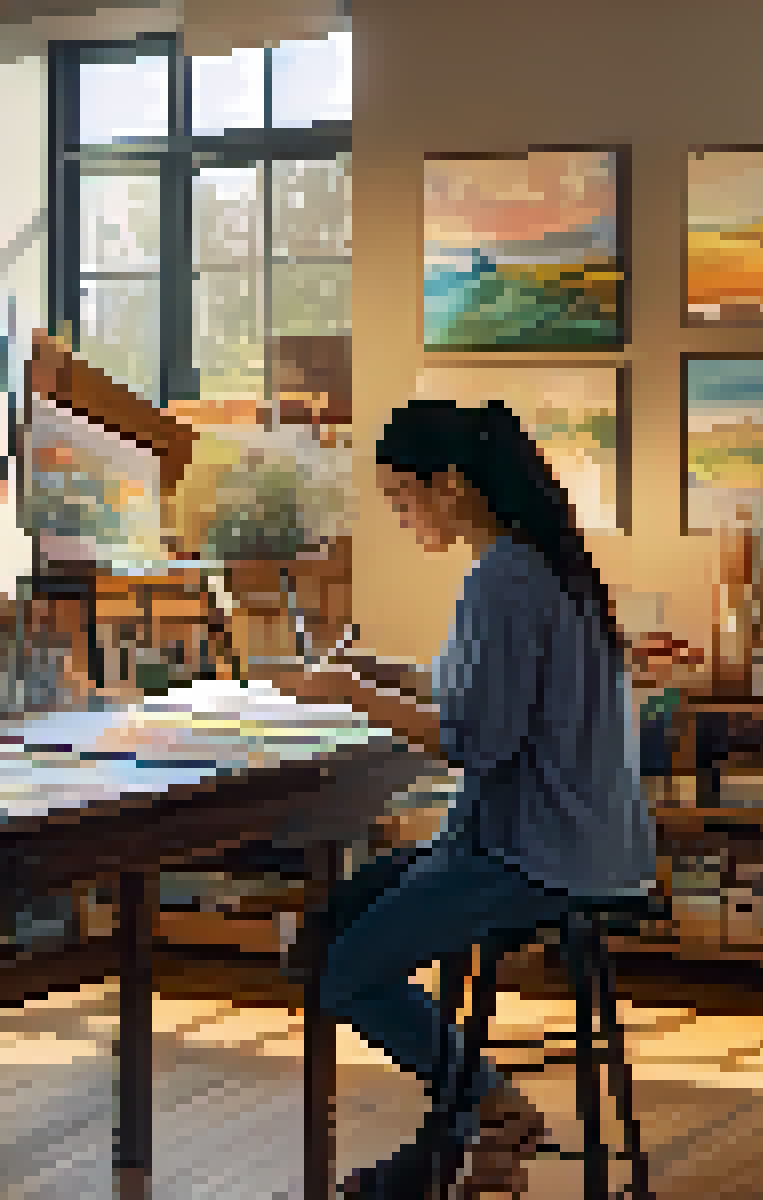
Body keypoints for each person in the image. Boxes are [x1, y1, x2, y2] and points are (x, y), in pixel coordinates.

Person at [258, 399, 655, 1198]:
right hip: (586, 840)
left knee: (340, 972)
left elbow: (472, 742)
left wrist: (347, 690)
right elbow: (484, 693)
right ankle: (465, 1133)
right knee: (331, 923)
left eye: (402, 500)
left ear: (450, 486)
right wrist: (382, 671)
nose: (403, 520)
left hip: (532, 853)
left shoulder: (501, 581)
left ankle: (490, 1107)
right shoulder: (546, 564)